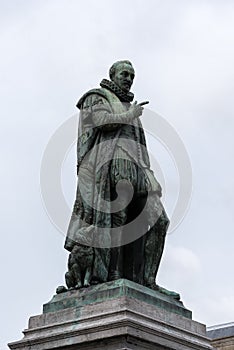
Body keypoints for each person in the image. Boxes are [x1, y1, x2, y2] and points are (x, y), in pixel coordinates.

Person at [64, 60, 170, 290]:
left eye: (132, 75)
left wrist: (149, 174)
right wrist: (130, 114)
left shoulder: (130, 109)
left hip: (137, 168)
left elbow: (141, 148)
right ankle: (113, 274)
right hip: (111, 165)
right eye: (124, 74)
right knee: (118, 219)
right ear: (112, 75)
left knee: (159, 221)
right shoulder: (97, 97)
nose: (129, 78)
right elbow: (101, 122)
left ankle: (147, 281)